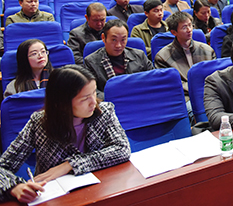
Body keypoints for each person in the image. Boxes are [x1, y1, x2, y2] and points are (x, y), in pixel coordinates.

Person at [0, 66, 130, 198]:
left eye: (94, 93)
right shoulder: (39, 123)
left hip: (100, 191)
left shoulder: (104, 112)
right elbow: (3, 167)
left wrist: (70, 165)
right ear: (62, 103)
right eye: (85, 98)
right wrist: (13, 187)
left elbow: (122, 149)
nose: (93, 102)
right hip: (54, 197)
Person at [155, 12, 215, 100]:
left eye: (190, 25)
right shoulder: (163, 57)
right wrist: (197, 89)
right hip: (184, 97)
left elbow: (214, 76)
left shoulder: (208, 51)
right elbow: (171, 84)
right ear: (174, 32)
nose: (189, 30)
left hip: (209, 93)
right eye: (184, 27)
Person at [84, 19, 153, 95]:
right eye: (114, 40)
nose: (118, 45)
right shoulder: (91, 62)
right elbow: (92, 91)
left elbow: (153, 79)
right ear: (103, 38)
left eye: (123, 40)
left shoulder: (140, 56)